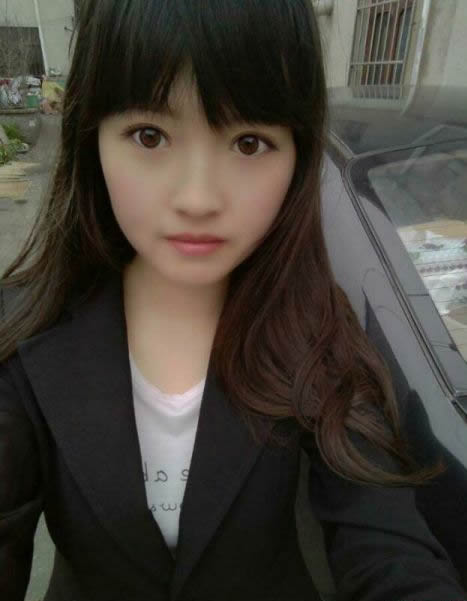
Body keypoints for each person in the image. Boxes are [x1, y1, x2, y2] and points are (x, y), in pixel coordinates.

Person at [0, 1, 466, 600]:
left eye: (249, 143)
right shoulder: (23, 329)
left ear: (297, 157)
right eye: (150, 135)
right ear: (92, 141)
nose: (198, 199)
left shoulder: (319, 322)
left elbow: (387, 545)